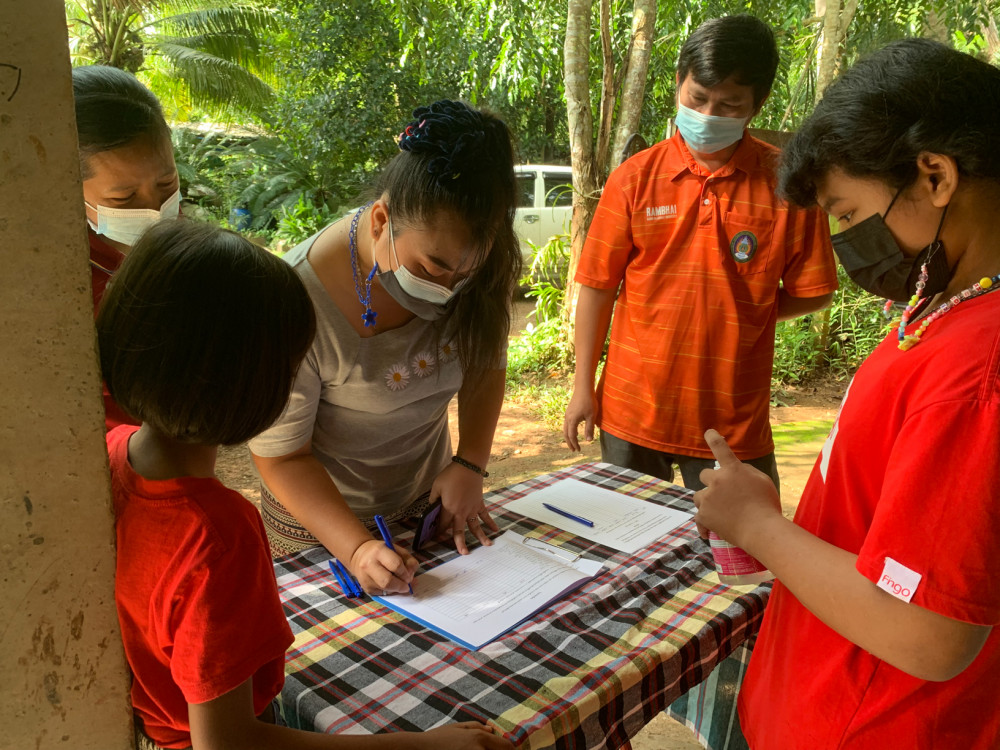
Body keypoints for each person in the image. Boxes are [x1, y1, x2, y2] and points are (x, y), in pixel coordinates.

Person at [99, 219, 512, 750]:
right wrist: (422, 746)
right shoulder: (219, 537)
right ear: (254, 391)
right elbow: (228, 743)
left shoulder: (113, 457)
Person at [695, 39, 1000, 749]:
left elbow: (930, 633)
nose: (845, 239)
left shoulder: (978, 373)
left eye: (845, 212)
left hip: (868, 724)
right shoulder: (945, 305)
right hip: (823, 698)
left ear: (935, 176)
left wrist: (757, 526)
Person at [249, 100, 521, 594]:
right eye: (432, 268)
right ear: (380, 221)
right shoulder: (292, 302)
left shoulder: (481, 262)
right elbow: (281, 457)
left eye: (466, 274)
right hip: (319, 528)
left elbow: (485, 364)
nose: (449, 291)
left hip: (425, 503)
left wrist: (469, 462)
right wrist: (355, 548)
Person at [563, 14, 839, 491]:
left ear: (758, 103)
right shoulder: (633, 178)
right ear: (678, 83)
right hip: (632, 409)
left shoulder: (786, 187)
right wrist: (581, 386)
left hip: (732, 422)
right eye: (697, 98)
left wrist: (746, 312)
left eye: (729, 104)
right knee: (628, 536)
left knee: (743, 537)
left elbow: (814, 290)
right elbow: (597, 287)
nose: (709, 114)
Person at [74, 64, 180, 430]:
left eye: (167, 184)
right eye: (123, 198)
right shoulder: (59, 280)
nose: (155, 210)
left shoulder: (182, 244)